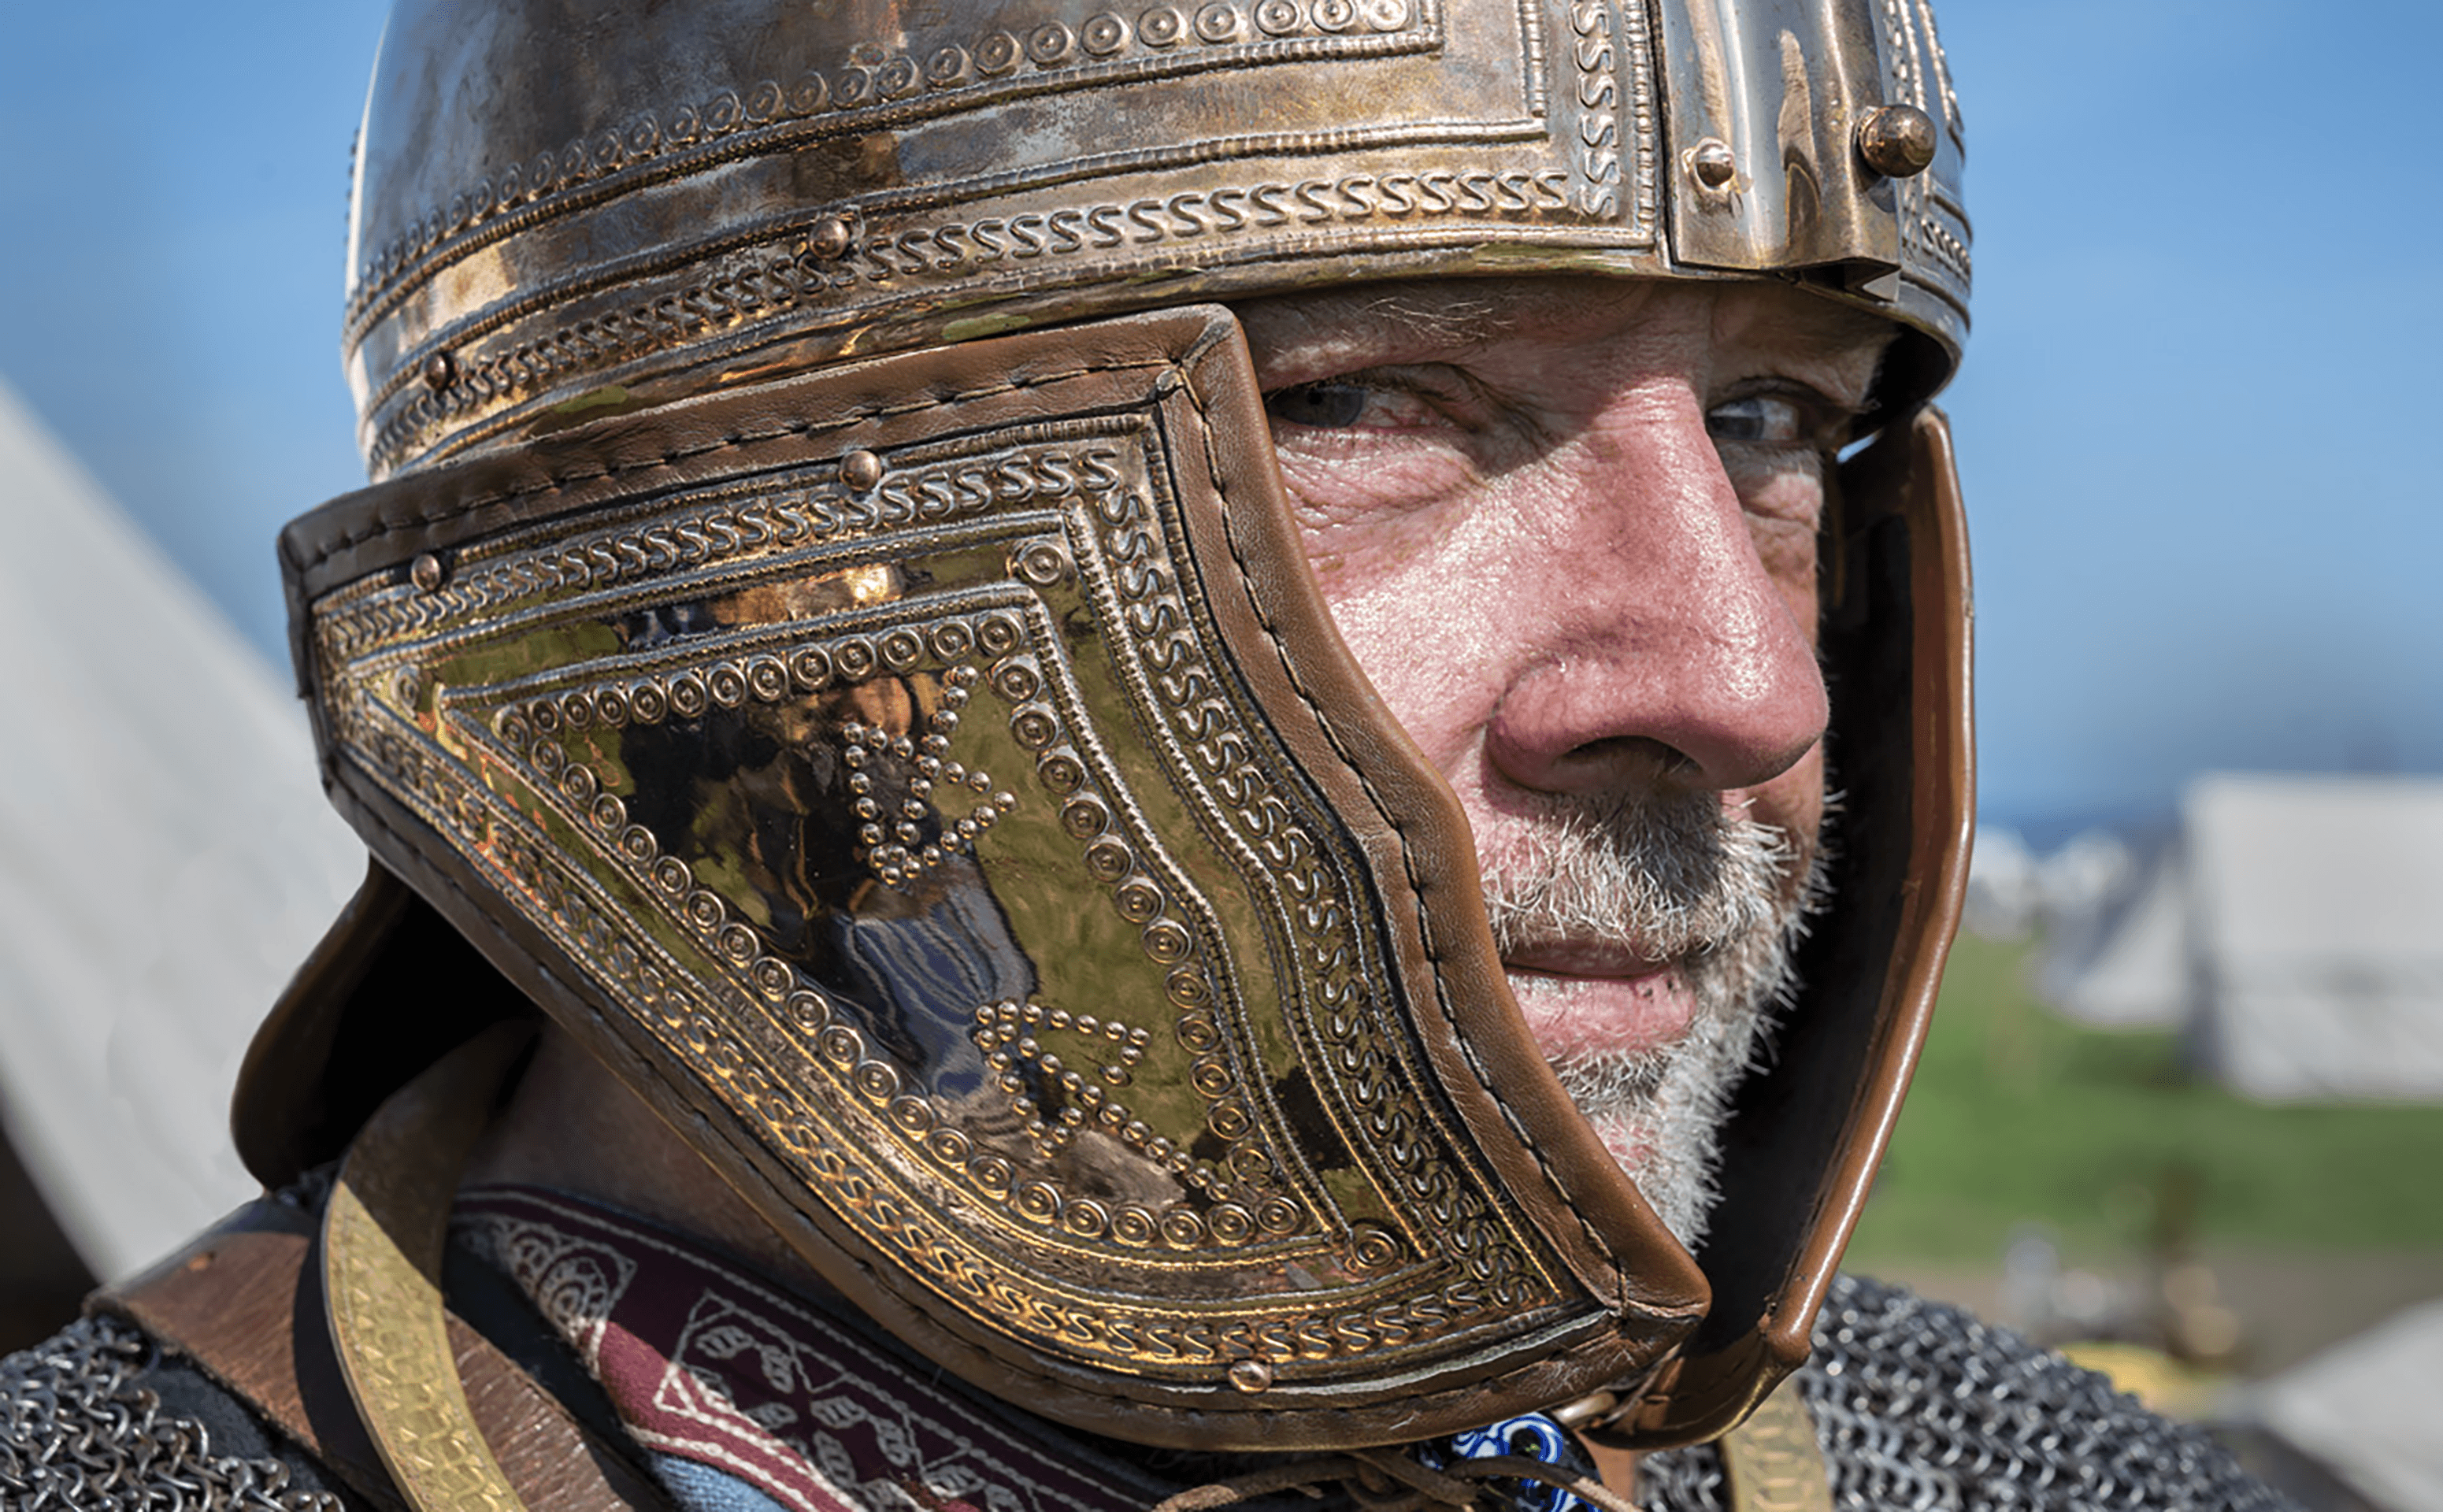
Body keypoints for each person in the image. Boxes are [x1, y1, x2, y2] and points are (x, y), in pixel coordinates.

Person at [2, 2, 2289, 1509]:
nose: (1741, 684)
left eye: (1771, 419)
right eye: (1362, 399)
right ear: (711, 577)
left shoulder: (1977, 1471)